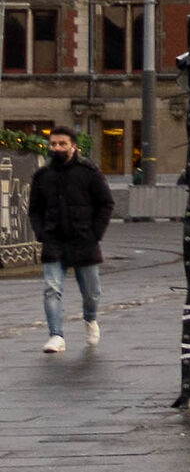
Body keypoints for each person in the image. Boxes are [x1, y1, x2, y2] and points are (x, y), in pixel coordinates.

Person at [28, 126, 111, 353]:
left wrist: (96, 233)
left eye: (62, 144)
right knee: (51, 289)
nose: (56, 148)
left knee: (92, 293)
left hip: (84, 240)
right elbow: (34, 209)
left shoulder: (88, 172)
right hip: (54, 241)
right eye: (53, 144)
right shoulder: (42, 175)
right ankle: (56, 335)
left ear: (73, 146)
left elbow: (106, 203)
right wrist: (41, 232)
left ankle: (90, 319)